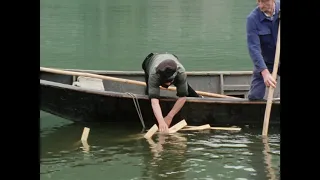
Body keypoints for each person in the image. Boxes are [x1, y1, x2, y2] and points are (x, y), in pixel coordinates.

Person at [141, 52, 201, 132]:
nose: (168, 84)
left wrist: (169, 116)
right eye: (166, 82)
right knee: (150, 93)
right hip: (150, 61)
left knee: (184, 89)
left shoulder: (180, 72)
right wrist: (161, 121)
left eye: (170, 81)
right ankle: (151, 115)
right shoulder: (154, 74)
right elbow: (154, 101)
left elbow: (182, 98)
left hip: (171, 57)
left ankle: (199, 98)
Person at [246, 0, 280, 101]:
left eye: (264, 1)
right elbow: (254, 48)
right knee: (255, 97)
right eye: (258, 1)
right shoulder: (253, 19)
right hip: (266, 63)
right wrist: (264, 72)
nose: (260, 5)